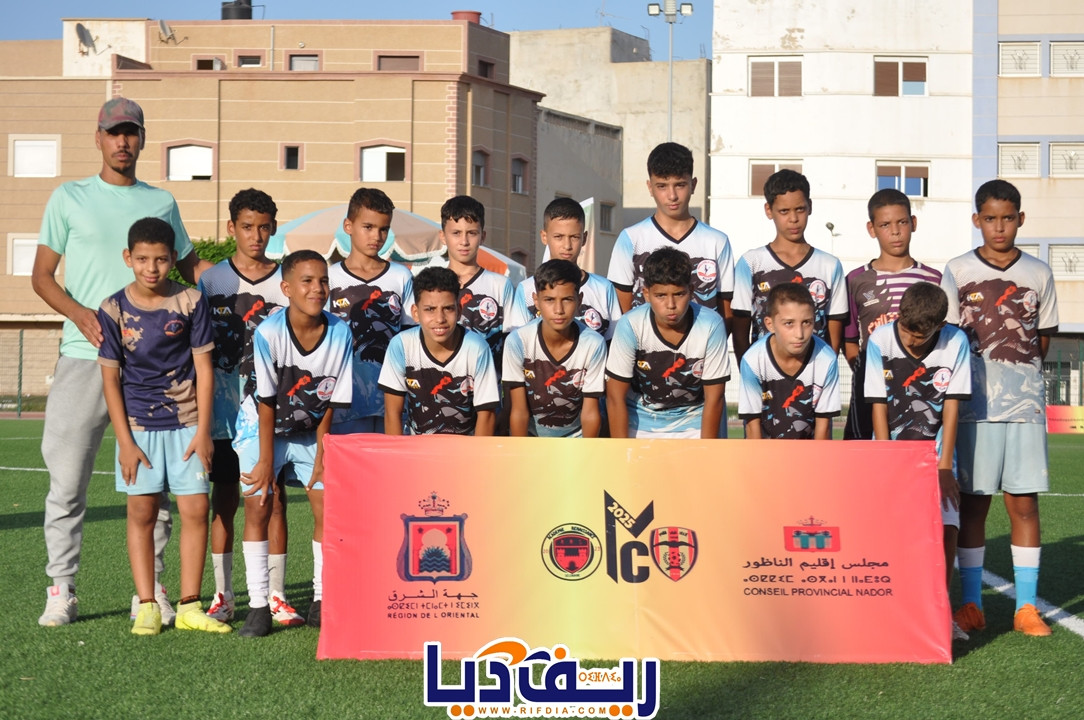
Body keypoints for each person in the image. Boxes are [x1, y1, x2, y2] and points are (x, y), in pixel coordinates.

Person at [32, 97, 210, 627]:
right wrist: (81, 314)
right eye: (114, 132)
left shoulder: (161, 201)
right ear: (99, 138)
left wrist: (256, 281)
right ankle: (62, 587)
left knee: (155, 489)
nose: (123, 141)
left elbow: (191, 269)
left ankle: (150, 593)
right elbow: (42, 277)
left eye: (131, 132)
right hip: (84, 358)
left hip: (157, 369)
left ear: (142, 139)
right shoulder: (69, 197)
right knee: (67, 482)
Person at [97, 217, 229, 635]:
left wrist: (203, 431)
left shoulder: (191, 300)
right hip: (139, 428)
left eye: (160, 259)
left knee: (196, 509)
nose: (151, 268)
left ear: (173, 258)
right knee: (142, 511)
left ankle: (190, 605)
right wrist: (124, 441)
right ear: (128, 258)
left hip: (188, 423)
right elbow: (110, 379)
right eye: (142, 259)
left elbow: (204, 369)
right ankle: (148, 604)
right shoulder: (113, 309)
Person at [941, 180, 1059, 637]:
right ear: (977, 220)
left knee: (1024, 504)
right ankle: (971, 604)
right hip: (974, 408)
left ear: (1020, 219)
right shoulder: (957, 270)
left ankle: (1026, 607)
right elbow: (951, 341)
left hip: (1024, 406)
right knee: (973, 506)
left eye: (1008, 218)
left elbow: (1041, 341)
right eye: (990, 218)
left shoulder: (1038, 272)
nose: (999, 227)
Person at [196, 189, 302, 626]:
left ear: (273, 228)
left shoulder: (285, 282)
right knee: (224, 499)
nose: (255, 235)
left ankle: (276, 595)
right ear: (231, 228)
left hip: (268, 411)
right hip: (223, 410)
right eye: (246, 227)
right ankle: (223, 595)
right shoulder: (212, 282)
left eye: (263, 227)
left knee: (272, 499)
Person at [237, 250, 353, 637]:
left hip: (311, 427)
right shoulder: (269, 332)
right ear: (286, 288)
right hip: (262, 425)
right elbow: (266, 402)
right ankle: (258, 606)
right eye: (307, 281)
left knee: (328, 506)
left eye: (323, 281)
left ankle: (321, 599)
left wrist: (323, 454)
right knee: (259, 504)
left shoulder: (341, 332)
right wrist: (264, 461)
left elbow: (333, 402)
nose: (317, 288)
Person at [863, 282, 971, 639]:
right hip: (892, 453)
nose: (911, 341)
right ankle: (892, 610)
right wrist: (885, 459)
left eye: (920, 336)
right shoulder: (880, 340)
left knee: (947, 528)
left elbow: (951, 407)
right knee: (893, 533)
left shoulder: (956, 342)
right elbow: (878, 404)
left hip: (936, 453)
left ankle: (940, 613)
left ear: (939, 326)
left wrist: (944, 466)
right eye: (907, 332)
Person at [843, 189, 942, 440]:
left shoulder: (933, 279)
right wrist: (869, 373)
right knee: (865, 453)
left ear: (913, 223)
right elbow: (850, 340)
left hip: (919, 387)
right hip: (871, 388)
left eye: (902, 222)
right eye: (885, 225)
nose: (895, 231)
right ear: (872, 229)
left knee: (917, 452)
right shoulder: (856, 280)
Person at [605, 247, 730, 439]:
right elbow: (615, 397)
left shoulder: (711, 325)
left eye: (679, 294)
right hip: (640, 419)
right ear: (646, 294)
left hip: (694, 419)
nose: (671, 305)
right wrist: (622, 451)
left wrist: (706, 450)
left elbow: (715, 398)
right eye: (661, 296)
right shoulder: (630, 325)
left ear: (691, 291)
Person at [606, 142, 734, 321]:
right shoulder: (631, 238)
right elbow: (621, 312)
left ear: (693, 184)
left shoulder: (717, 241)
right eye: (662, 186)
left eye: (680, 185)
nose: (672, 195)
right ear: (650, 187)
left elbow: (726, 312)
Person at [731, 169, 847, 365]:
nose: (793, 219)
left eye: (800, 209)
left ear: (810, 207)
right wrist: (749, 371)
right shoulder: (751, 262)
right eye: (784, 211)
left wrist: (825, 370)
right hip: (764, 372)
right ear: (769, 210)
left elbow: (834, 332)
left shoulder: (830, 265)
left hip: (813, 371)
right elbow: (740, 328)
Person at [328, 187, 414, 435]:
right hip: (344, 404)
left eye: (383, 229)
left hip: (393, 404)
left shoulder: (401, 276)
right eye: (368, 227)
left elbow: (411, 339)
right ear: (348, 226)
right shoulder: (330, 278)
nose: (376, 236)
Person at [378, 267, 500, 436]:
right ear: (415, 313)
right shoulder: (401, 345)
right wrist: (396, 452)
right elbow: (392, 413)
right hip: (416, 447)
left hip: (466, 447)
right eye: (430, 309)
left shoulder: (477, 348)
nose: (440, 319)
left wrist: (476, 453)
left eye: (448, 308)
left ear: (459, 310)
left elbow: (486, 416)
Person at [503, 260, 607, 437]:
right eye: (549, 300)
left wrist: (588, 451)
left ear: (580, 300)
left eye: (567, 299)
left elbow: (590, 412)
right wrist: (520, 451)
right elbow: (519, 411)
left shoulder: (593, 344)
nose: (559, 310)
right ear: (536, 300)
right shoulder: (518, 341)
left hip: (576, 438)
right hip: (531, 438)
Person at [505, 197, 622, 340]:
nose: (567, 245)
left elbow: (615, 342)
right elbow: (519, 341)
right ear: (544, 236)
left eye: (574, 237)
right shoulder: (527, 289)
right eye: (558, 237)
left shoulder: (604, 288)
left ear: (584, 238)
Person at [738, 283, 840, 440]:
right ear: (770, 324)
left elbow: (823, 426)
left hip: (810, 451)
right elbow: (752, 426)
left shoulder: (826, 360)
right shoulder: (753, 361)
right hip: (765, 450)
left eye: (806, 322)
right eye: (789, 323)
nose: (799, 334)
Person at [438, 195, 514, 360]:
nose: (464, 241)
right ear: (443, 236)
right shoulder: (432, 285)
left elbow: (513, 341)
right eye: (456, 233)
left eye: (472, 233)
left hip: (490, 374)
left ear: (483, 236)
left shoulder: (500, 285)